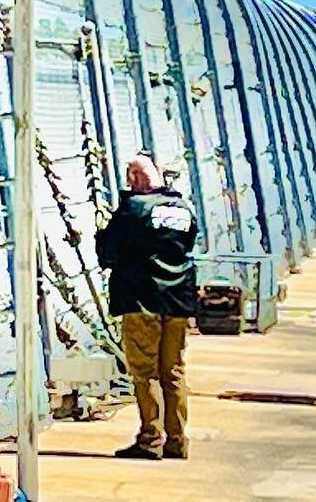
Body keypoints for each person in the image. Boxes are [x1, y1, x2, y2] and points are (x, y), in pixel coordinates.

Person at [94, 151, 198, 460]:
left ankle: (151, 438)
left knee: (145, 372)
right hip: (179, 300)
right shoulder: (184, 208)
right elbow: (187, 245)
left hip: (142, 300)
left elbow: (108, 252)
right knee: (174, 372)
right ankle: (177, 440)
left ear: (137, 178)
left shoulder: (133, 209)